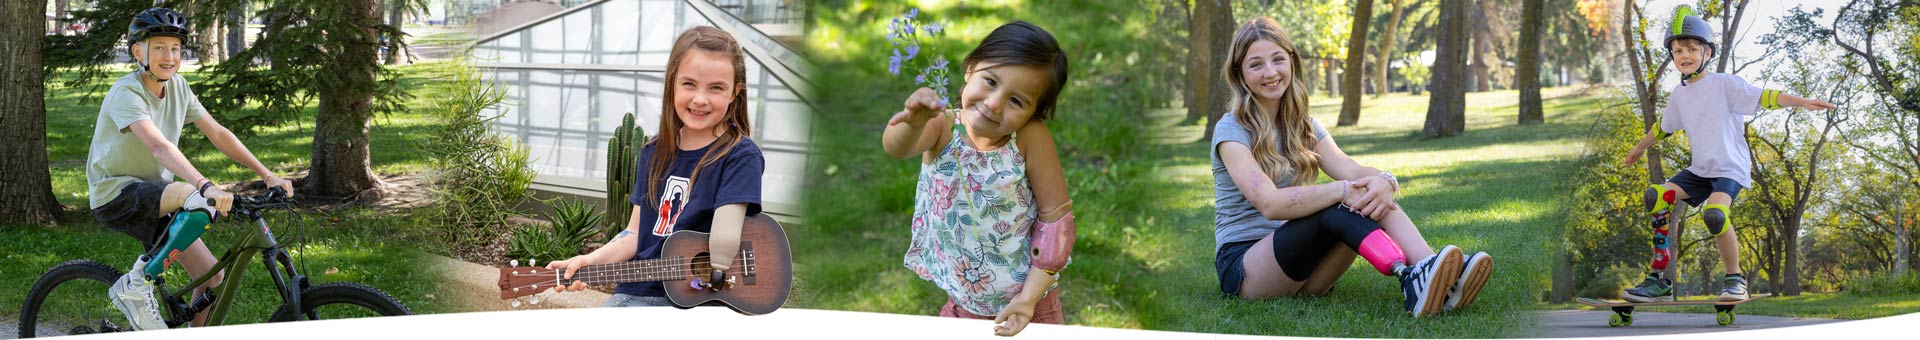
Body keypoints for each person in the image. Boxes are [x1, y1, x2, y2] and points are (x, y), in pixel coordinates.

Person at [1209, 17, 1494, 317]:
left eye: (1278, 59)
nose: (1270, 72)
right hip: (1246, 269)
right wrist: (1341, 191)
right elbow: (1269, 203)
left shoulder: (1302, 125)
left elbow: (1351, 169)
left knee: (1366, 194)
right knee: (1340, 203)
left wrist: (1384, 181)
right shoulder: (1231, 130)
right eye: (1256, 64)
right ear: (1239, 73)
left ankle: (1431, 269)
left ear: (1291, 62)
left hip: (1304, 272)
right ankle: (1416, 277)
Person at [96, 7, 296, 330]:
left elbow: (218, 133)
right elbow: (160, 146)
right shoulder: (126, 92)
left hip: (158, 195)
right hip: (116, 194)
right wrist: (204, 185)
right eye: (159, 47)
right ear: (137, 52)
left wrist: (267, 174)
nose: (169, 56)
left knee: (213, 278)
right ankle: (135, 284)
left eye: (175, 48)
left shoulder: (179, 88)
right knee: (196, 197)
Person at [1620, 5, 1836, 302]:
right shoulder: (1679, 95)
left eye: (1692, 49)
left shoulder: (1724, 84)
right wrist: (1637, 148)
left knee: (1715, 215)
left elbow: (1766, 97)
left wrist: (1803, 101)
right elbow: (1663, 128)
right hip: (1700, 170)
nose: (1684, 55)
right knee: (1656, 196)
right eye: (1678, 50)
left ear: (1707, 52)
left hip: (1729, 169)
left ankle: (1735, 280)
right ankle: (1660, 280)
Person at [545, 26, 766, 308]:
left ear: (735, 92)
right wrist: (589, 262)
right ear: (672, 83)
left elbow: (725, 241)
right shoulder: (653, 152)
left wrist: (718, 268)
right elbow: (635, 234)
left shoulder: (739, 155)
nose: (700, 99)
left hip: (696, 300)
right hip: (635, 290)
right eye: (689, 84)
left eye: (716, 88)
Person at [881, 21, 1076, 336]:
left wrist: (1028, 299)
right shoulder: (941, 126)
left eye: (1017, 101)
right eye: (990, 81)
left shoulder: (1029, 138)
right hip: (962, 305)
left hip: (1030, 305)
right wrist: (912, 124)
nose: (995, 103)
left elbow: (1057, 223)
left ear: (1034, 112)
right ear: (970, 69)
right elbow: (896, 148)